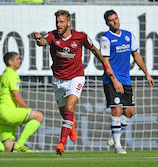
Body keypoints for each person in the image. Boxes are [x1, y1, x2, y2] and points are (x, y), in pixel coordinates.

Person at [34, 10, 113, 156]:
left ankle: (61, 143)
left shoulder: (80, 37)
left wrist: (107, 66)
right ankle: (71, 125)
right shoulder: (52, 35)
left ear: (68, 23)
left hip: (76, 77)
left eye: (61, 22)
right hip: (58, 79)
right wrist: (39, 40)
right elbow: (43, 42)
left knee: (70, 106)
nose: (58, 25)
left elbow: (95, 50)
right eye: (57, 22)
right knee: (65, 113)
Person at [100, 10, 155, 154]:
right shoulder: (106, 38)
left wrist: (147, 74)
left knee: (130, 112)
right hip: (112, 80)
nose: (115, 22)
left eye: (116, 18)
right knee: (117, 109)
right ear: (107, 23)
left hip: (126, 80)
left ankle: (114, 138)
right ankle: (118, 146)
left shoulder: (128, 35)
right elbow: (105, 62)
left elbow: (136, 55)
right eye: (111, 20)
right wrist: (114, 80)